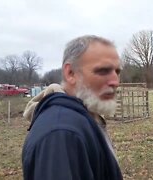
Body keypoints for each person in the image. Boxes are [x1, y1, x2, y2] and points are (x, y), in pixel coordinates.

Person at [22, 35, 123, 180]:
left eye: (117, 72)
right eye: (103, 71)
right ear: (70, 73)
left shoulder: (82, 118)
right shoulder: (61, 133)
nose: (115, 81)